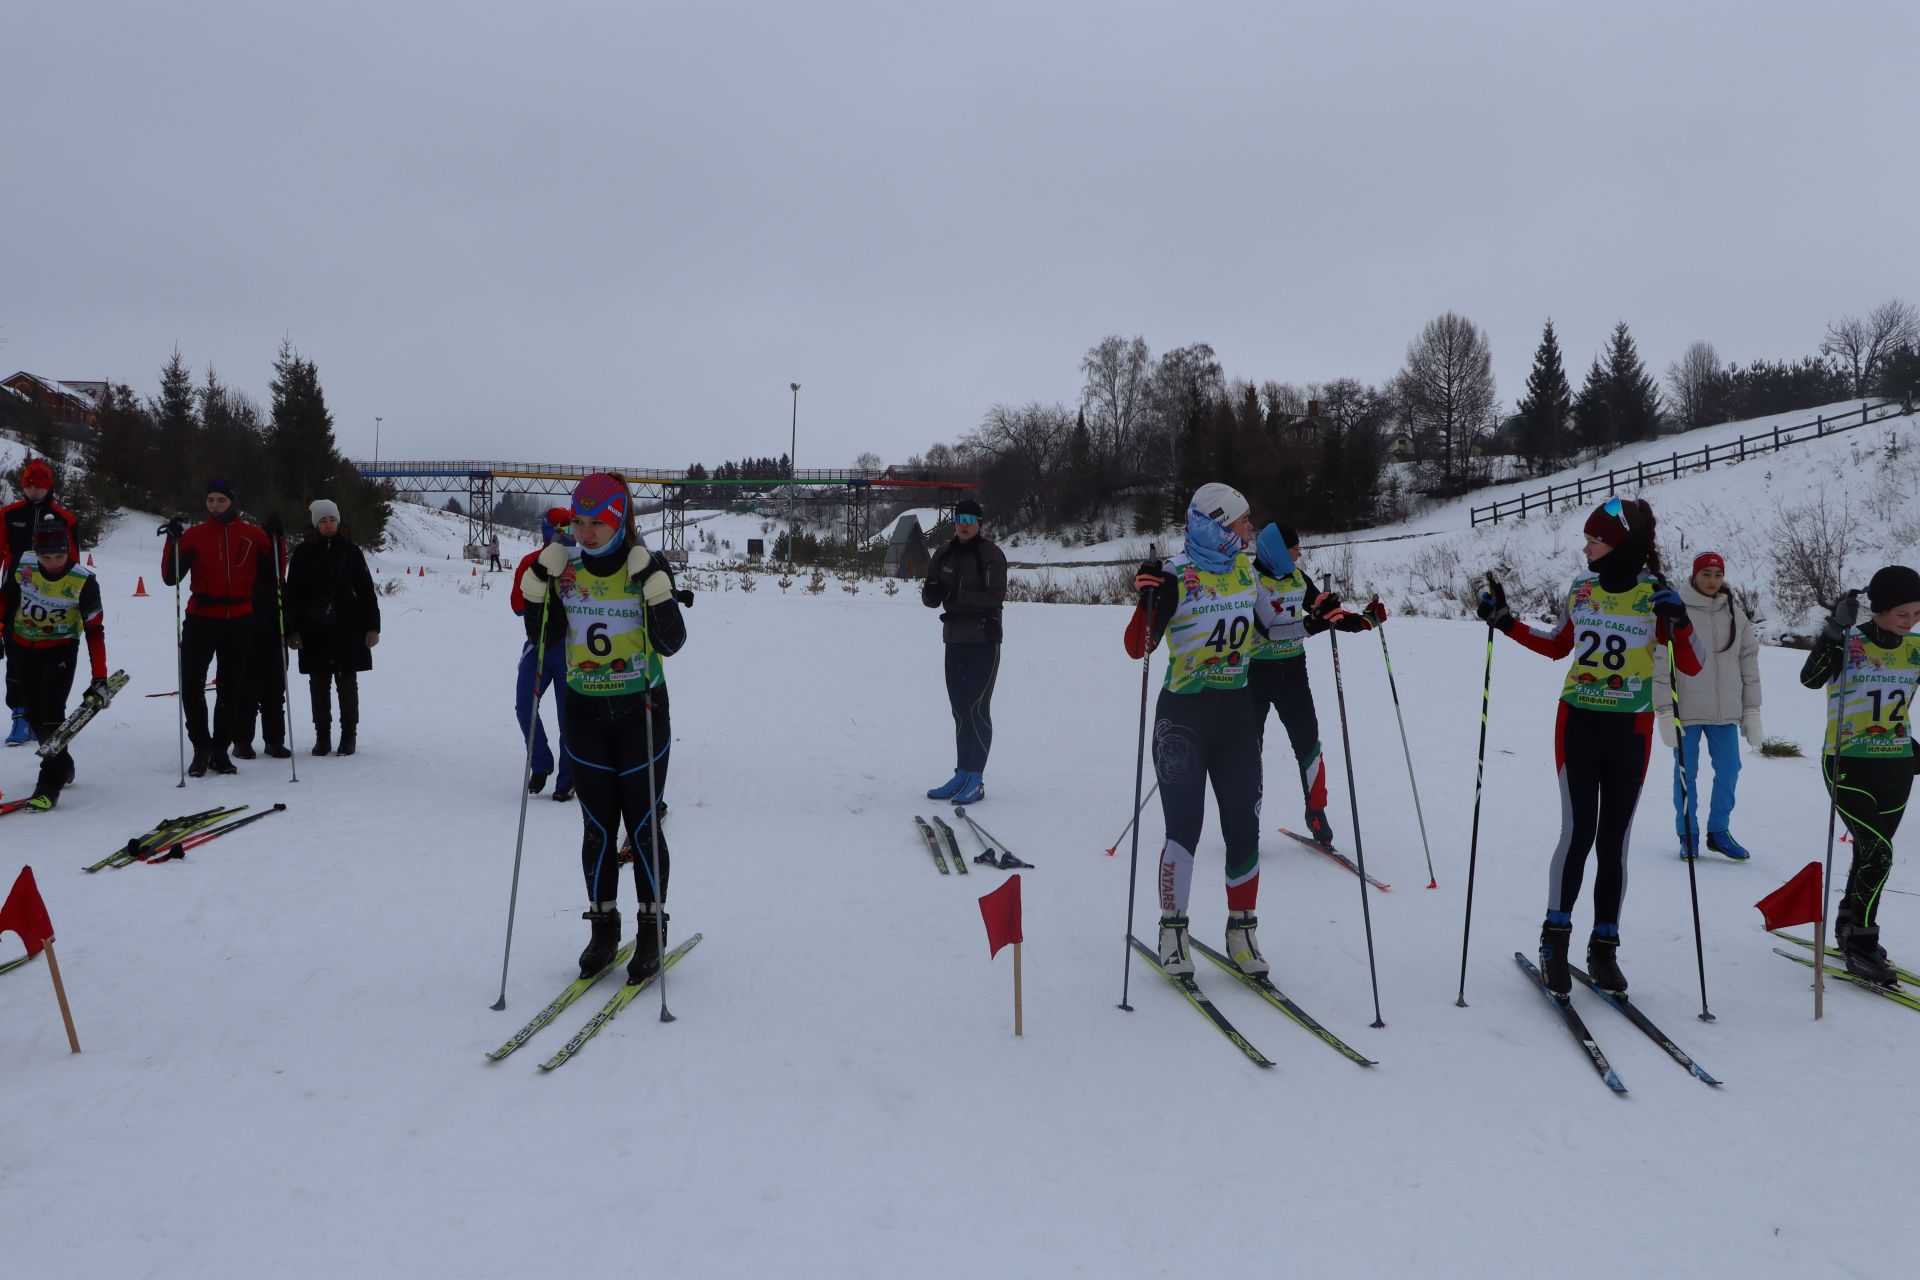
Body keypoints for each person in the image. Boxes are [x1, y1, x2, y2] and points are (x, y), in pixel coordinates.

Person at [1477, 497, 1703, 996]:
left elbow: (1692, 665)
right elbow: (1558, 644)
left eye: (1594, 539)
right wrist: (1506, 622)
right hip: (1578, 722)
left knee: (1614, 842)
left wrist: (1682, 622)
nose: (1585, 547)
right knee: (1577, 832)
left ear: (1620, 545)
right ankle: (1554, 941)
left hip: (1632, 729)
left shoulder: (1656, 594)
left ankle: (1604, 948)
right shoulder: (1581, 588)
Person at [520, 473, 687, 985]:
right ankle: (603, 929)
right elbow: (543, 636)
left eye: (599, 522)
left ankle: (652, 929)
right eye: (580, 522)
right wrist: (537, 586)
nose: (588, 532)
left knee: (640, 827)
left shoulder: (643, 566)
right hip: (585, 712)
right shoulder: (566, 569)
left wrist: (657, 583)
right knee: (597, 827)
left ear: (622, 520)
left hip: (641, 711)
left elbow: (673, 641)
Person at [1125, 482, 1268, 976]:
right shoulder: (1176, 575)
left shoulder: (1249, 572)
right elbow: (1135, 647)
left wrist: (1325, 616)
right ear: (1220, 523)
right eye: (1243, 520)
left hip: (1235, 716)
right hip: (1183, 717)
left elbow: (1279, 627)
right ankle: (1173, 930)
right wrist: (1147, 599)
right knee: (1184, 829)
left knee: (1243, 826)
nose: (1250, 528)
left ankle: (1242, 932)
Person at [1797, 566, 1920, 986]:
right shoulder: (1849, 642)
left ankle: (1850, 925)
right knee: (1879, 853)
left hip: (1898, 765)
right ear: (1880, 609)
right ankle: (1864, 943)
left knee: (1870, 855)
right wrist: (1833, 630)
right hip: (1848, 763)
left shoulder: (1916, 648)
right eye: (1903, 614)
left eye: (1918, 613)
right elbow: (1810, 679)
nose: (1911, 622)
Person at [1248, 522, 1386, 847]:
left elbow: (1328, 615)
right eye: (1293, 548)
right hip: (1252, 673)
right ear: (1277, 551)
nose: (1299, 553)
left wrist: (1365, 620)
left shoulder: (1298, 579)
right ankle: (1243, 817)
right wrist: (1313, 623)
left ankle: (1316, 811)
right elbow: (1269, 629)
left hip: (1292, 672)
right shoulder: (1249, 581)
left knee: (1308, 744)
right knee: (1247, 750)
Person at [1651, 552, 1762, 860]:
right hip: (1686, 709)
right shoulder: (1676, 609)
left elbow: (1748, 662)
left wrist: (1751, 709)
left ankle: (1719, 831)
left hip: (1724, 711)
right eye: (1706, 574)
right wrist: (1662, 709)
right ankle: (1688, 833)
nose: (1712, 580)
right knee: (1687, 773)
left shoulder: (1735, 615)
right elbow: (1662, 661)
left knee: (1729, 769)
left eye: (1717, 574)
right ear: (1694, 575)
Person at [160, 479, 272, 776]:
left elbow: (275, 574)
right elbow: (171, 577)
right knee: (192, 684)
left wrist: (278, 540)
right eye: (210, 500)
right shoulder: (196, 535)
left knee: (230, 687)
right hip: (201, 617)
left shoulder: (253, 535)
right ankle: (201, 746)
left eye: (221, 500)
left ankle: (221, 749)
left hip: (239, 618)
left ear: (233, 501)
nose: (215, 505)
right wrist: (172, 541)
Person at [0, 516, 110, 809]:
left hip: (60, 650)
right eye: (45, 556)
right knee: (35, 718)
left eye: (59, 556)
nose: (52, 563)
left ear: (69, 551)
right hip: (23, 648)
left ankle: (48, 784)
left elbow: (95, 632)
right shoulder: (22, 565)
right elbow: (6, 600)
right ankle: (63, 763)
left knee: (52, 714)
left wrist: (100, 677)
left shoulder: (83, 581)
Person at [921, 498, 1007, 804]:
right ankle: (961, 773)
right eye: (960, 518)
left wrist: (956, 592)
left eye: (971, 518)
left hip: (984, 640)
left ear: (980, 523)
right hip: (954, 639)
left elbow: (996, 595)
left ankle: (976, 777)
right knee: (959, 711)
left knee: (977, 708)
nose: (965, 524)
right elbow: (930, 595)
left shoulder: (991, 554)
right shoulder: (944, 553)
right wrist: (932, 593)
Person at [285, 500, 381, 757]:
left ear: (339, 522)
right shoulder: (303, 553)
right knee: (318, 682)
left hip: (348, 627)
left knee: (347, 682)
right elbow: (291, 594)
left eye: (332, 520)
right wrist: (291, 629)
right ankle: (322, 736)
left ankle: (349, 735)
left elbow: (366, 592)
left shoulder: (351, 551)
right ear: (315, 524)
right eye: (323, 521)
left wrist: (373, 626)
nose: (328, 525)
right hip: (313, 628)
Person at [3, 457, 79, 746]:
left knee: (48, 655)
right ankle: (20, 716)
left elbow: (74, 560)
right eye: (29, 486)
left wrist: (75, 597)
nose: (34, 491)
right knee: (15, 654)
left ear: (49, 487)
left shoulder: (64, 517)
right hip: (15, 592)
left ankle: (44, 715)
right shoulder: (10, 514)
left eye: (40, 486)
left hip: (52, 596)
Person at [510, 508, 575, 801]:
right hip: (537, 645)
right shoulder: (530, 562)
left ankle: (568, 777)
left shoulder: (578, 562)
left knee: (568, 716)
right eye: (555, 530)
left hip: (570, 650)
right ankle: (540, 763)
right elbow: (518, 606)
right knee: (524, 704)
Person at [232, 516, 293, 760]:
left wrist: (278, 539)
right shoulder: (244, 572)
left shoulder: (277, 576)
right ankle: (242, 740)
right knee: (247, 691)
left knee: (275, 691)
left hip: (274, 636)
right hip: (248, 634)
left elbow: (280, 571)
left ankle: (275, 740)